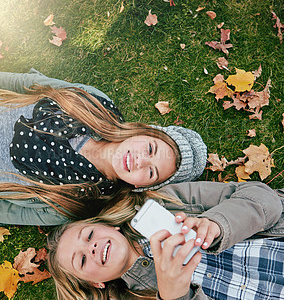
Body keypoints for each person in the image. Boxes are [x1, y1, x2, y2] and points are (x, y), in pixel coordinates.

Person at [48, 179, 284, 300]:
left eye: (89, 235)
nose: (91, 248)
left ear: (109, 227)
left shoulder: (164, 202)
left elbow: (265, 199)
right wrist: (176, 299)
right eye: (81, 260)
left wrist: (217, 224)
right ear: (96, 284)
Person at [0, 69, 207, 226]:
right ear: (143, 132)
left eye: (151, 172)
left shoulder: (82, 201)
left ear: (141, 187)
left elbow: (13, 212)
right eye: (151, 149)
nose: (140, 161)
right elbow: (29, 85)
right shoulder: (96, 104)